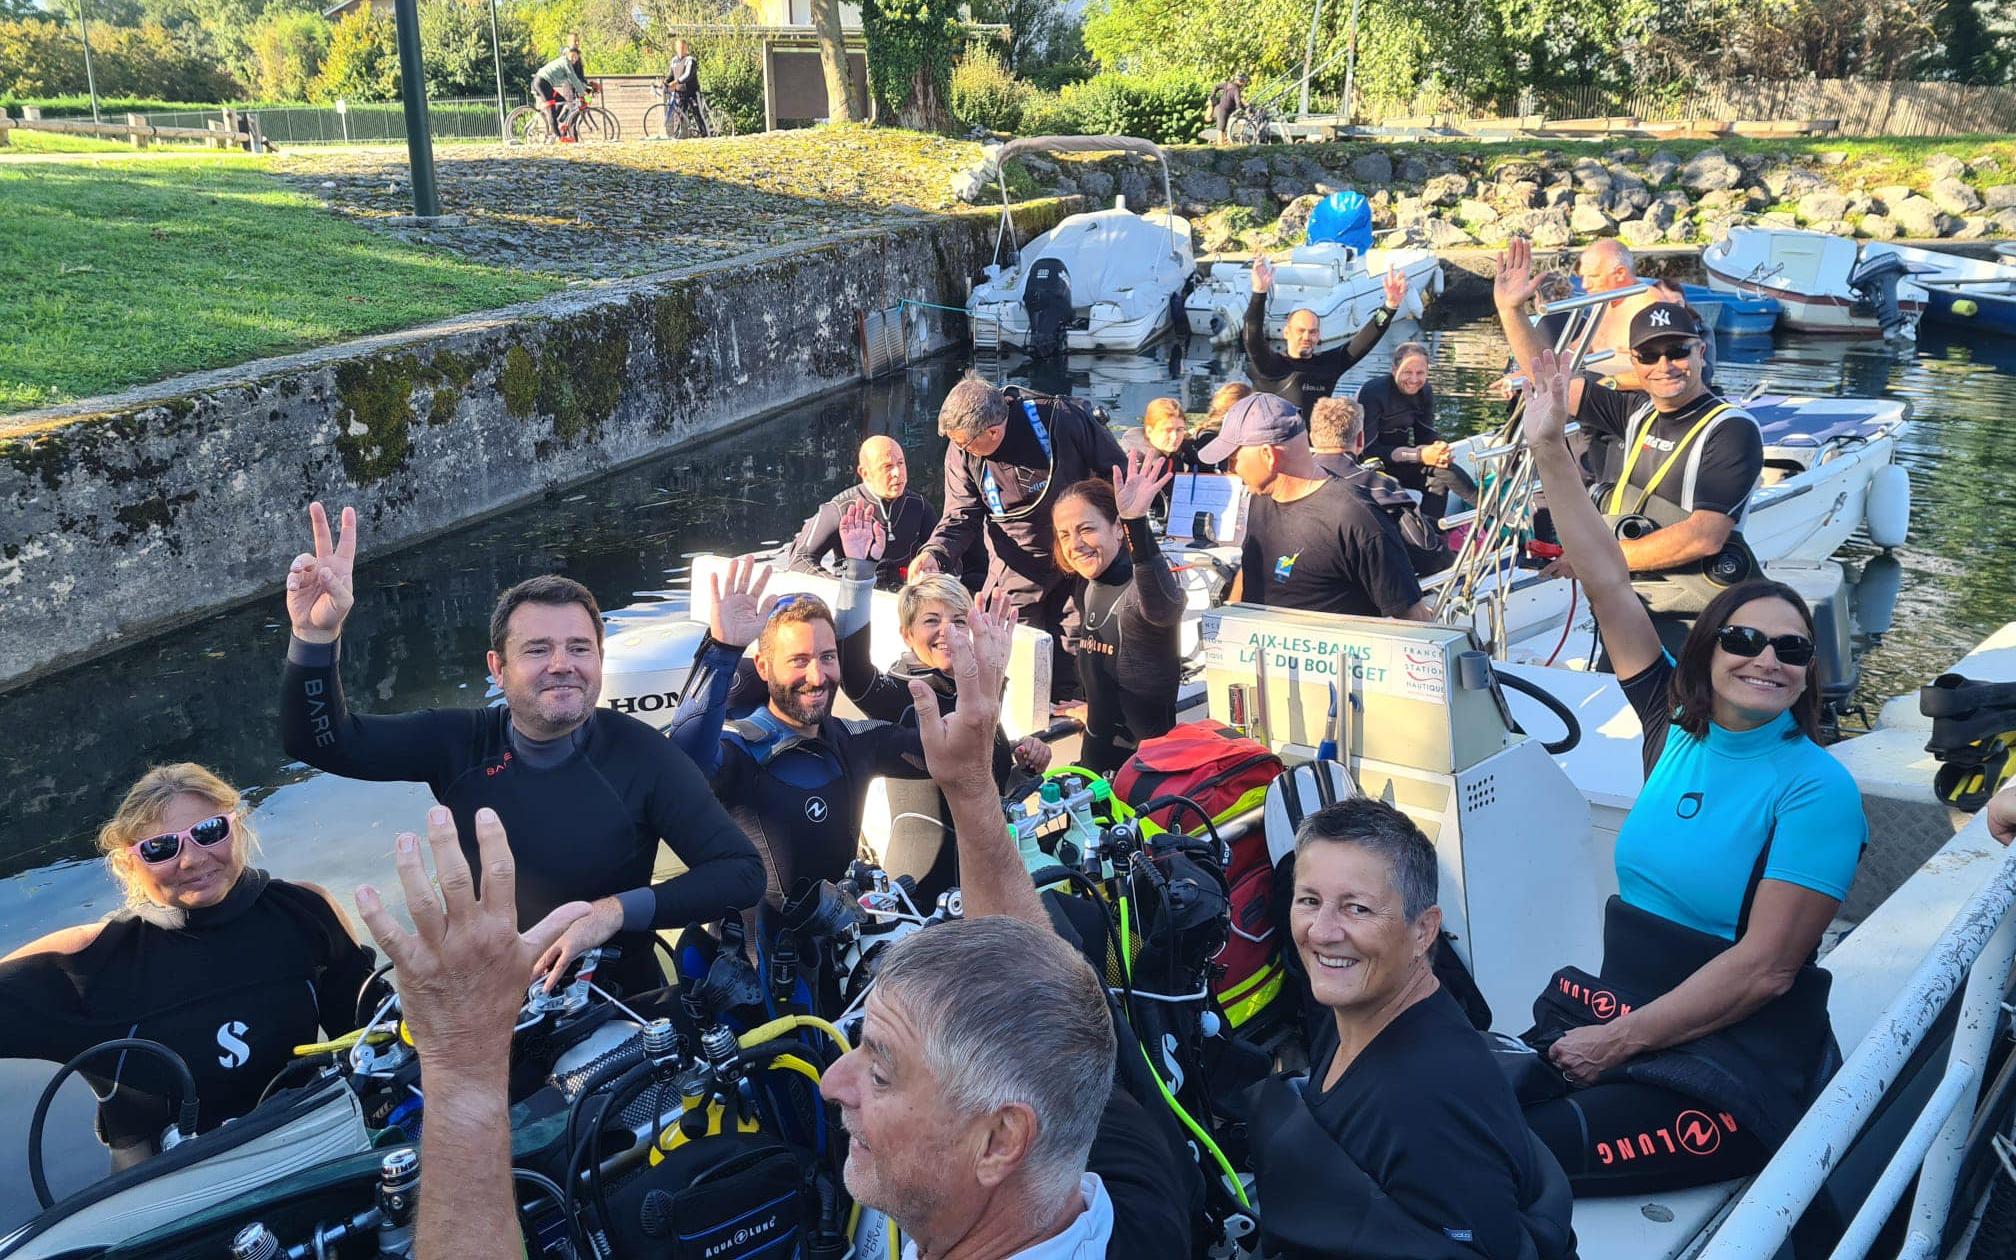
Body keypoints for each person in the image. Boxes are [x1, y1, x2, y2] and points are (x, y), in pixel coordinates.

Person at [363, 602, 1192, 1260]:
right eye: (799, 660)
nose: (842, 1081)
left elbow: (924, 746)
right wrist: (972, 793)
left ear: (1001, 1139)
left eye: (882, 1072)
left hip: (808, 958)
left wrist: (464, 1077)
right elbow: (684, 765)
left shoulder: (848, 743)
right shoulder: (1120, 1177)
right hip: (746, 971)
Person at [1516, 346, 1869, 1193]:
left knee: (1514, 1157)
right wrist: (1549, 449)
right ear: (1707, 652)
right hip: (1623, 1014)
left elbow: (1768, 970)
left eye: (1791, 649)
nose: (1767, 658)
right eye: (1744, 639)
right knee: (1455, 1107)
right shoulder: (1672, 727)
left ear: (1807, 673)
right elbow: (1607, 580)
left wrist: (1615, 1043)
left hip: (1730, 1062)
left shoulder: (1817, 790)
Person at [277, 503, 762, 997]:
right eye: (537, 649)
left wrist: (614, 912)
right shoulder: (457, 741)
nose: (561, 663)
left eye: (579, 647)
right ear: (497, 667)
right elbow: (320, 742)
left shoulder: (642, 754)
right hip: (492, 996)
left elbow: (741, 873)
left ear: (600, 658)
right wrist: (315, 637)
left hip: (621, 996)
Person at [0, 764, 377, 1169]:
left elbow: (374, 1038)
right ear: (128, 863)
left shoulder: (304, 913)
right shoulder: (88, 961)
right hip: (173, 1187)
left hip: (314, 1152)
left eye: (210, 831)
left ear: (237, 827)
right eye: (161, 848)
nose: (193, 859)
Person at [1247, 799, 1576, 1259]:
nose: (1321, 931)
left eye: (1357, 908)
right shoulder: (1355, 1012)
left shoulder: (1425, 1107)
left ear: (1423, 930)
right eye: (1309, 901)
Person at [669, 557, 934, 910]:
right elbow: (683, 761)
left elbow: (946, 754)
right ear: (763, 667)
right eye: (799, 660)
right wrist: (722, 651)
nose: (817, 676)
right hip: (752, 944)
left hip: (841, 936)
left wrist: (976, 678)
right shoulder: (737, 750)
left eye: (827, 657)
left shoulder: (856, 741)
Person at [1496, 237, 1763, 583]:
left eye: (1677, 351)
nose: (1664, 365)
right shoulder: (1634, 412)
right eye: (1649, 356)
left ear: (1700, 353)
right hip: (1632, 590)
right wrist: (1511, 312)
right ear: (1634, 362)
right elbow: (1550, 380)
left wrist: (1591, 560)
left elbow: (1704, 536)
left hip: (1696, 598)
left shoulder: (1731, 429)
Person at [828, 500, 1050, 899]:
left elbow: (989, 785)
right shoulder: (904, 695)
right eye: (932, 620)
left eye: (958, 620)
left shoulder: (980, 687)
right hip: (923, 886)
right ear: (907, 634)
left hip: (987, 871)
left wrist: (1026, 764)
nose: (947, 631)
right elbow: (853, 671)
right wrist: (859, 570)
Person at [911, 372, 1127, 700]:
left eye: (964, 444)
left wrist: (1115, 534)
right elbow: (961, 514)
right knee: (1013, 647)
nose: (960, 449)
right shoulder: (961, 452)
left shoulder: (1062, 419)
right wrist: (935, 552)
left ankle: (1071, 707)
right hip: (1015, 564)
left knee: (1075, 644)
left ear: (993, 432)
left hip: (1075, 553)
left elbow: (1116, 476)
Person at [1204, 393, 1433, 620]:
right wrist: (1228, 618)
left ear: (1268, 456)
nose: (1230, 471)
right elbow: (1249, 569)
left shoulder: (1357, 518)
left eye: (1232, 461)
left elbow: (1415, 618)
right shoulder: (1260, 498)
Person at [1051, 453, 1185, 774]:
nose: (1075, 544)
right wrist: (1097, 710)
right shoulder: (1089, 587)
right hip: (1095, 768)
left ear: (1116, 529)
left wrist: (1136, 523)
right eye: (1064, 534)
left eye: (1086, 529)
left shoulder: (1139, 587)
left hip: (1145, 776)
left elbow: (1164, 608)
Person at [1244, 257, 1407, 421]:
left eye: (1312, 332)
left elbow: (1365, 339)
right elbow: (1252, 337)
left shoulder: (1330, 365)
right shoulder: (1270, 367)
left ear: (1319, 335)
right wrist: (1259, 292)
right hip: (1274, 437)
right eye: (1300, 331)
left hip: (1316, 437)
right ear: (1286, 332)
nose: (1307, 337)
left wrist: (1390, 307)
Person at [1307, 397, 1454, 576]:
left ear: (1312, 437)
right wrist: (1451, 557)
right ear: (1360, 440)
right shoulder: (1380, 488)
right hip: (1360, 587)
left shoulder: (1288, 481)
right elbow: (1427, 553)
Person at [784, 435, 935, 589]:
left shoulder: (919, 506)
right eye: (887, 467)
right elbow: (799, 560)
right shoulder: (840, 509)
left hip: (905, 595)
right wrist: (844, 586)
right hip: (854, 592)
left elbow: (943, 552)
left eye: (901, 463)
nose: (898, 472)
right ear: (865, 473)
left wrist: (930, 566)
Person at [1355, 342, 1453, 496]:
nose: (1414, 380)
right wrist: (1418, 455)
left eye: (1420, 373)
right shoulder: (1373, 392)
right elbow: (1368, 449)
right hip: (1369, 464)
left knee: (1441, 477)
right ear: (1394, 370)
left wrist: (1439, 449)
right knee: (1391, 484)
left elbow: (1425, 434)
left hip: (1400, 458)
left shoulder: (1425, 391)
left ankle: (1481, 505)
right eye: (1407, 372)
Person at [1119, 396, 1208, 474]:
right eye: (1167, 430)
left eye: (1179, 430)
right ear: (1149, 431)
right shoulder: (1135, 466)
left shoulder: (1176, 456)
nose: (1174, 437)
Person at [532, 45, 591, 141]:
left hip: (546, 84)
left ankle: (554, 122)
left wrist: (587, 89)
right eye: (573, 56)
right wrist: (583, 94)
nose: (575, 59)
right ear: (567, 54)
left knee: (561, 101)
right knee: (551, 110)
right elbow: (574, 79)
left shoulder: (567, 64)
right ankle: (557, 136)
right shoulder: (565, 62)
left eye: (576, 57)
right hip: (542, 83)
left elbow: (575, 81)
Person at [663, 37, 706, 136]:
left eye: (683, 48)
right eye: (679, 48)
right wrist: (665, 82)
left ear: (686, 48)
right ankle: (677, 136)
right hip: (680, 92)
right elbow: (671, 75)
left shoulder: (690, 60)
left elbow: (688, 75)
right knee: (679, 115)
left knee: (697, 113)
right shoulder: (674, 61)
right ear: (676, 48)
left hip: (692, 92)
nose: (681, 50)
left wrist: (676, 82)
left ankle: (705, 135)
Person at [1212, 73, 1249, 144]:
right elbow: (1238, 103)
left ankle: (1222, 144)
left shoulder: (1227, 84)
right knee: (1221, 130)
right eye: (1243, 81)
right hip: (1223, 111)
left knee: (1222, 129)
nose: (1244, 84)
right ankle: (1220, 146)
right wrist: (1244, 107)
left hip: (1220, 108)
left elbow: (1216, 86)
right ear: (1240, 81)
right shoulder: (1236, 89)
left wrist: (1213, 96)